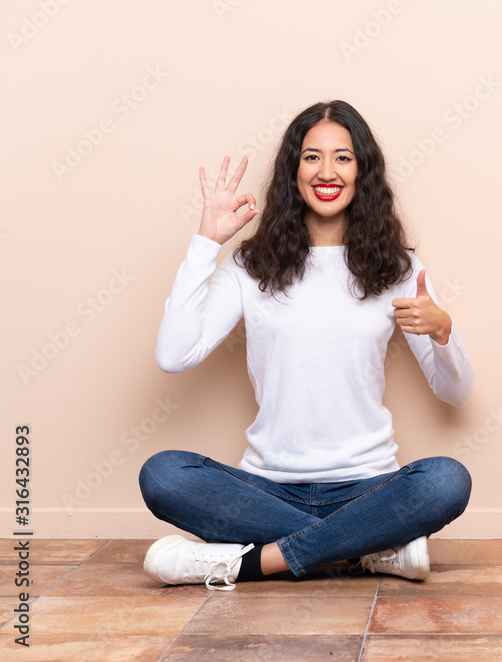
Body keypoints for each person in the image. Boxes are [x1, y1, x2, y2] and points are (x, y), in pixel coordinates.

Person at [138, 100, 473, 591]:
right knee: (163, 474)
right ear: (293, 171)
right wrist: (207, 242)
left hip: (368, 487)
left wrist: (444, 332)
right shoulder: (250, 266)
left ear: (363, 171)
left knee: (447, 480)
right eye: (312, 157)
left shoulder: (398, 269)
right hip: (266, 488)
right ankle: (366, 552)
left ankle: (247, 565)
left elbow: (456, 393)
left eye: (343, 157)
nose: (327, 171)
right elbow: (173, 355)